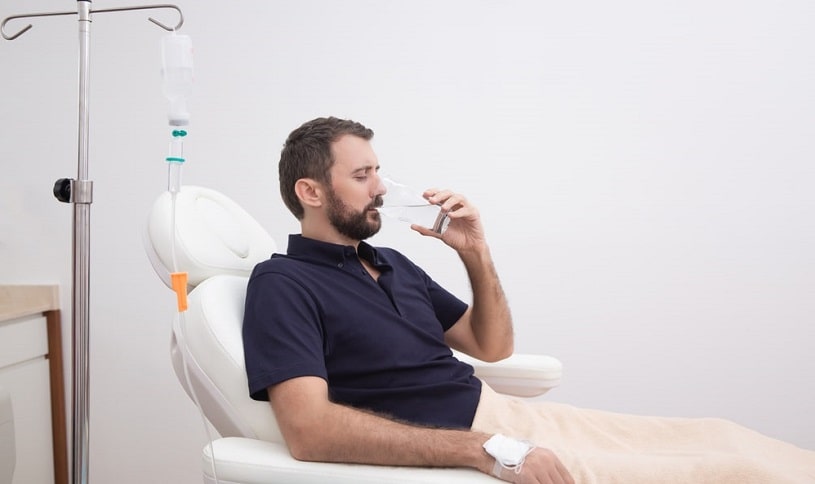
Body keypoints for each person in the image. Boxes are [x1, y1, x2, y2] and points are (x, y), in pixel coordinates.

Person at [242, 116, 815, 484]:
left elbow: (491, 346)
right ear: (311, 192)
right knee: (734, 473)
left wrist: (474, 251)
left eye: (379, 172)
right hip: (476, 438)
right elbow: (310, 431)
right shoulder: (283, 284)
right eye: (363, 175)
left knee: (724, 435)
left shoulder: (392, 264)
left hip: (506, 417)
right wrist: (486, 449)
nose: (383, 189)